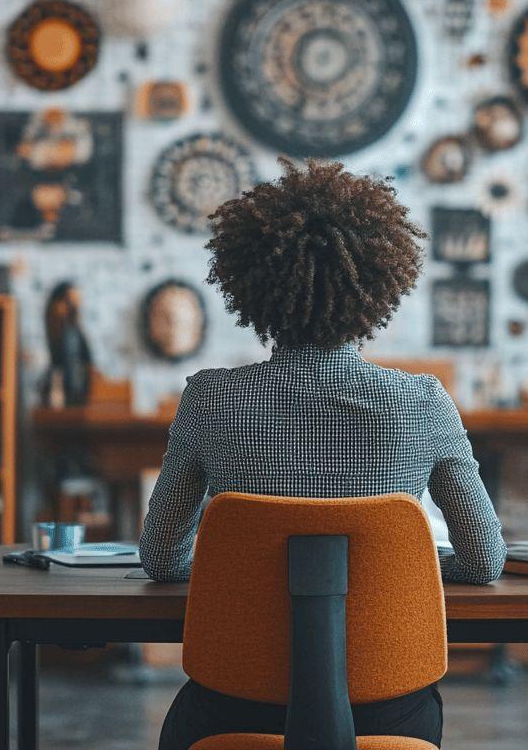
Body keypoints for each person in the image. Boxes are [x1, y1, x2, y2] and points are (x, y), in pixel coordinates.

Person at [140, 158, 506, 750]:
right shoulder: (423, 403)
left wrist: (245, 572)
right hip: (389, 711)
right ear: (378, 287)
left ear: (249, 286)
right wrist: (388, 565)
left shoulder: (211, 400)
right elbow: (485, 559)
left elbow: (161, 558)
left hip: (234, 705)